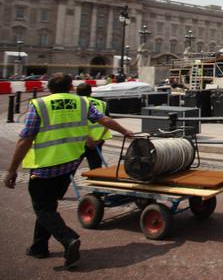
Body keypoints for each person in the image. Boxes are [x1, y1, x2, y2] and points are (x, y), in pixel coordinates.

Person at [3, 73, 134, 269]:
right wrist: (126, 132)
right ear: (71, 86)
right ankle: (39, 247)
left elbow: (25, 139)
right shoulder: (81, 103)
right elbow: (104, 119)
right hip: (70, 164)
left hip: (45, 166)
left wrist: (12, 170)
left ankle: (68, 238)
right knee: (49, 206)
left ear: (49, 87)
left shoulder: (40, 105)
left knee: (43, 208)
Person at [75, 83, 110, 169]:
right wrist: (100, 139)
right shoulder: (102, 103)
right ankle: (96, 181)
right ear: (90, 92)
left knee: (71, 169)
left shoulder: (75, 104)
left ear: (77, 93)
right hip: (97, 141)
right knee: (96, 168)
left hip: (79, 141)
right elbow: (107, 122)